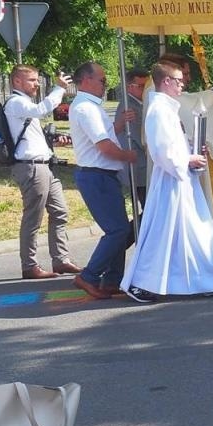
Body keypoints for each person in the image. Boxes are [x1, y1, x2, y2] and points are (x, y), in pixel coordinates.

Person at [121, 61, 213, 303]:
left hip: (181, 180)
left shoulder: (167, 109)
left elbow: (174, 145)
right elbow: (162, 151)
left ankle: (211, 280)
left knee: (194, 234)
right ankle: (142, 283)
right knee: (162, 235)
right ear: (166, 81)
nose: (182, 84)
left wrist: (193, 149)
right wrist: (187, 159)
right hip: (171, 182)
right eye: (178, 80)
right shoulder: (159, 111)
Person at [66, 62, 138, 299]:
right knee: (117, 230)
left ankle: (112, 280)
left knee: (119, 229)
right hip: (96, 175)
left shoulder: (90, 106)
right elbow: (104, 146)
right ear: (86, 80)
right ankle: (89, 276)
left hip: (102, 174)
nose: (105, 85)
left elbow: (103, 136)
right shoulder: (86, 108)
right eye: (102, 80)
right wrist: (128, 156)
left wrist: (118, 125)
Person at [4, 64, 79, 280]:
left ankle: (61, 260)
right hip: (31, 167)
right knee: (33, 217)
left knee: (60, 211)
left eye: (37, 80)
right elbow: (42, 109)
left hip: (44, 165)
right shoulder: (16, 102)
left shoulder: (25, 104)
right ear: (17, 81)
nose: (36, 84)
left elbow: (32, 137)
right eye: (32, 80)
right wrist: (59, 88)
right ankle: (29, 266)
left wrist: (52, 141)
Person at [115, 67, 150, 209]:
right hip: (140, 168)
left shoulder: (141, 103)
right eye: (141, 86)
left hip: (143, 167)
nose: (145, 90)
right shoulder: (129, 107)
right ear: (129, 87)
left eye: (147, 86)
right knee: (149, 209)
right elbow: (141, 138)